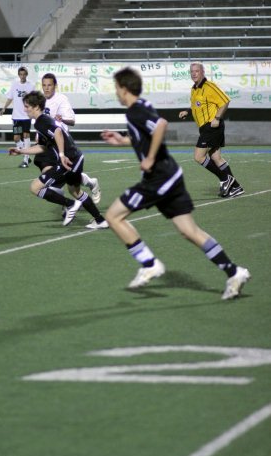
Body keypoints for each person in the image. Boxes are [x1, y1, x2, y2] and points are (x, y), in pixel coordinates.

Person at [102, 67, 250, 300]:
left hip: (158, 178)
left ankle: (149, 264)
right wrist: (122, 140)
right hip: (172, 176)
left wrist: (150, 158)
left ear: (124, 89)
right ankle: (234, 271)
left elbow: (161, 125)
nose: (116, 93)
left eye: (117, 89)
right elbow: (146, 135)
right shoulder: (141, 108)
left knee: (113, 216)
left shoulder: (135, 111)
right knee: (189, 232)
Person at [9, 90, 108, 230]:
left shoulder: (41, 122)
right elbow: (43, 147)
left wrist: (61, 155)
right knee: (75, 191)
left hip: (69, 159)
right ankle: (100, 220)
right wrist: (21, 151)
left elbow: (58, 132)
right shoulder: (43, 121)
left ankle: (70, 204)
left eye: (27, 106)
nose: (25, 109)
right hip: (75, 157)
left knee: (35, 187)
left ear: (36, 106)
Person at [179, 62, 243, 198]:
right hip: (204, 128)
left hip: (212, 127)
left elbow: (225, 101)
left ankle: (225, 178)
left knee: (198, 156)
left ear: (202, 72)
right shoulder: (194, 89)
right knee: (216, 157)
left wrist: (217, 118)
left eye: (197, 71)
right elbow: (197, 106)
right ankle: (236, 187)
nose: (194, 74)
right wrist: (187, 112)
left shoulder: (209, 86)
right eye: (192, 72)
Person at [39, 72, 101, 204]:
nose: (46, 88)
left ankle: (85, 188)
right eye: (44, 85)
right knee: (57, 175)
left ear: (55, 86)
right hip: (47, 144)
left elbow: (72, 120)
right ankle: (69, 203)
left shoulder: (61, 99)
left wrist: (62, 119)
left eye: (49, 85)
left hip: (62, 143)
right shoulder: (40, 101)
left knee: (65, 178)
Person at [0, 66, 34, 168]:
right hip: (17, 117)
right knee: (16, 138)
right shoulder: (15, 85)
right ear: (19, 75)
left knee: (26, 136)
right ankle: (26, 152)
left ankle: (26, 160)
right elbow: (10, 97)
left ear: (26, 75)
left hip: (26, 116)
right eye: (21, 74)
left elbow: (33, 99)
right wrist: (4, 108)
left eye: (24, 74)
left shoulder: (30, 85)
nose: (22, 76)